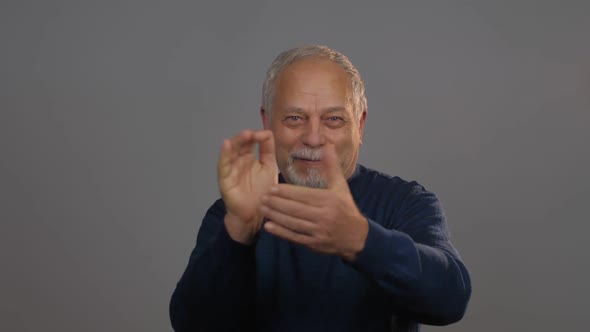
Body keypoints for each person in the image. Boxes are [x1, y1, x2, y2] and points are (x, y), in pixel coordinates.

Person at [169, 45, 471, 332]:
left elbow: (450, 299)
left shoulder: (405, 203)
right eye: (295, 118)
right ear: (267, 122)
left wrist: (360, 239)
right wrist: (239, 233)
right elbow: (192, 324)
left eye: (334, 119)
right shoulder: (231, 213)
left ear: (360, 124)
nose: (313, 138)